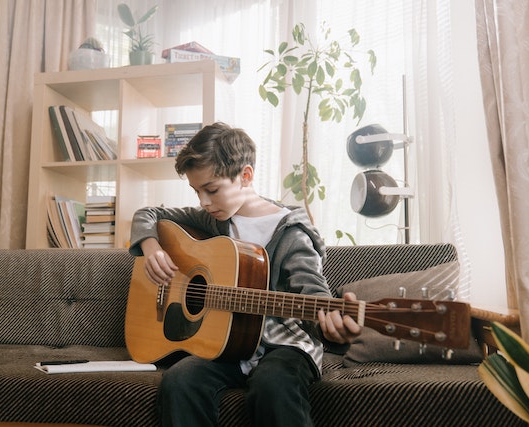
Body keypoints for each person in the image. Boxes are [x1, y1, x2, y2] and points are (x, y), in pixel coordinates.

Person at [129, 122, 362, 427]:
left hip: (284, 345)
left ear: (245, 176)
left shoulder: (293, 234)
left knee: (274, 386)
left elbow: (312, 291)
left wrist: (329, 326)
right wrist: (152, 248)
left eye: (211, 189)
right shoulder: (214, 220)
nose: (203, 202)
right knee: (180, 380)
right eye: (197, 191)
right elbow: (148, 213)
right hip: (228, 345)